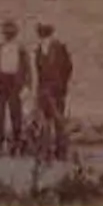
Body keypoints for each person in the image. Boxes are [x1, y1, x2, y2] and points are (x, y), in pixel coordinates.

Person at [0, 17, 31, 154]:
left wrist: (27, 87)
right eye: (6, 33)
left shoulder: (21, 49)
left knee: (16, 113)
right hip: (1, 82)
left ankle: (16, 143)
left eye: (11, 33)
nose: (9, 35)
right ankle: (0, 144)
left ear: (15, 34)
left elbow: (27, 69)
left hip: (15, 83)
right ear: (3, 34)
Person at [33, 21, 73, 161]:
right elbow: (39, 72)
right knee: (44, 122)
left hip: (57, 90)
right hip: (43, 90)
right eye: (41, 33)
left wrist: (62, 85)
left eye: (44, 33)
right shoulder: (38, 50)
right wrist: (38, 90)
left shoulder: (60, 47)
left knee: (59, 121)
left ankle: (61, 152)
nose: (42, 36)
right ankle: (45, 152)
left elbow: (68, 67)